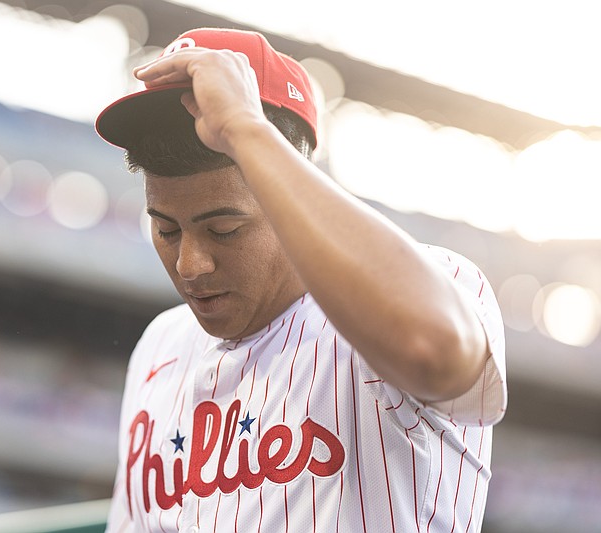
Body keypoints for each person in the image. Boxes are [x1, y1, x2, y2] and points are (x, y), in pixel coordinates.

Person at [95, 27, 506, 532]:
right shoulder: (160, 344)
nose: (190, 264)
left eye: (225, 229)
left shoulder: (435, 282)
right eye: (166, 228)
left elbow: (433, 353)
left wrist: (245, 128)